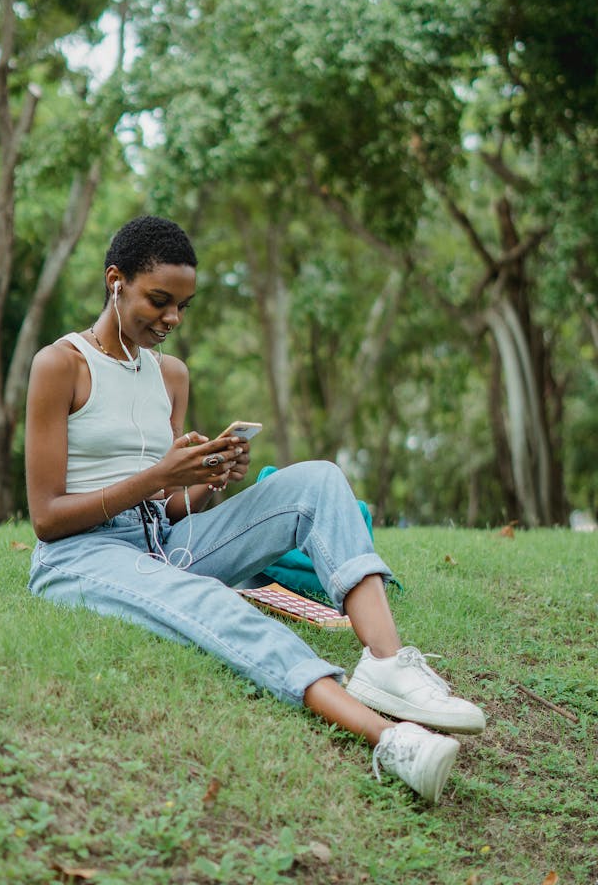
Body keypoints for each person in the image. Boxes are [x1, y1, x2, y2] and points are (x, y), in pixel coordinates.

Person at [25, 215, 485, 804]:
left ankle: (387, 662)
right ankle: (392, 741)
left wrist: (207, 482)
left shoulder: (170, 374)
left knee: (318, 479)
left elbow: (172, 506)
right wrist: (158, 477)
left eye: (183, 306)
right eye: (159, 301)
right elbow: (46, 518)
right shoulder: (60, 365)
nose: (172, 319)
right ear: (115, 281)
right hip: (80, 555)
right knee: (214, 602)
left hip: (163, 542)